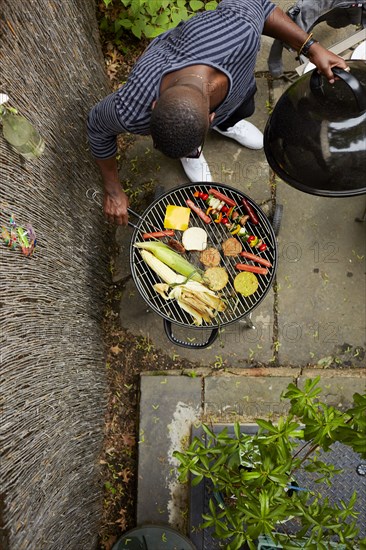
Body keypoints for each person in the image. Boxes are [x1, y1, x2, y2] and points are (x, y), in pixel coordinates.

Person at [87, 0, 348, 226]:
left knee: (244, 105)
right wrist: (112, 189)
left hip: (237, 83)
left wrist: (312, 48)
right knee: (189, 135)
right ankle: (189, 155)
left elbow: (262, 7)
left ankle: (228, 125)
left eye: (194, 147)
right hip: (187, 71)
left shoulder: (236, 31)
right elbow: (97, 126)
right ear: (154, 106)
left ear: (212, 117)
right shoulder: (133, 104)